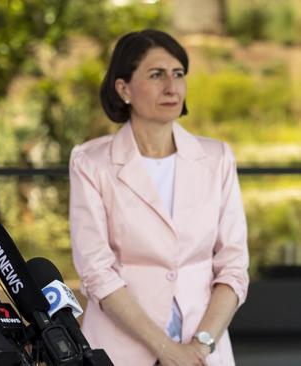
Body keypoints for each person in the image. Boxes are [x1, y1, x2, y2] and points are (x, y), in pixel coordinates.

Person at [69, 29, 249, 366]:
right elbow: (96, 271)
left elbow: (234, 267)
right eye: (156, 75)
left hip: (204, 350)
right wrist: (166, 350)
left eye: (178, 74)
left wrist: (201, 345)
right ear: (123, 88)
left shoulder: (217, 158)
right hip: (120, 349)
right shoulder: (90, 162)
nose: (171, 86)